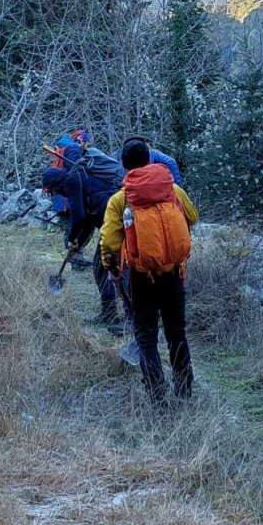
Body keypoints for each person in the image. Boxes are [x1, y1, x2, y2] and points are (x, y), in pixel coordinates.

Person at [100, 137, 199, 402]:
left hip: (141, 277)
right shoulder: (173, 190)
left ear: (124, 165)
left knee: (145, 336)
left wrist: (111, 268)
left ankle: (157, 397)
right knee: (176, 333)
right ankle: (185, 392)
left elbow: (109, 240)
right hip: (174, 273)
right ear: (150, 159)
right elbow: (193, 216)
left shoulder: (120, 200)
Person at [41, 139, 125, 331]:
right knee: (102, 266)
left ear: (55, 184)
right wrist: (78, 242)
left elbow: (78, 216)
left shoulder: (72, 180)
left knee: (114, 268)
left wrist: (71, 238)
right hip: (112, 222)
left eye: (52, 190)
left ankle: (125, 319)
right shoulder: (79, 179)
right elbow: (86, 220)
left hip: (114, 223)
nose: (54, 193)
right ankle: (111, 314)